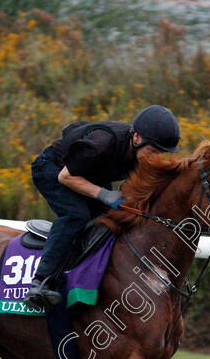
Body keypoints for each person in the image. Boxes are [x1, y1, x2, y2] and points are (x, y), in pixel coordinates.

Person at [24, 105, 181, 309]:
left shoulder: (138, 152)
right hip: (53, 169)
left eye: (159, 154)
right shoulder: (103, 142)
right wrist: (104, 194)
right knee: (76, 215)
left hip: (90, 174)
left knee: (110, 220)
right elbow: (66, 177)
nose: (154, 159)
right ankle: (41, 282)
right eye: (152, 152)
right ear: (137, 139)